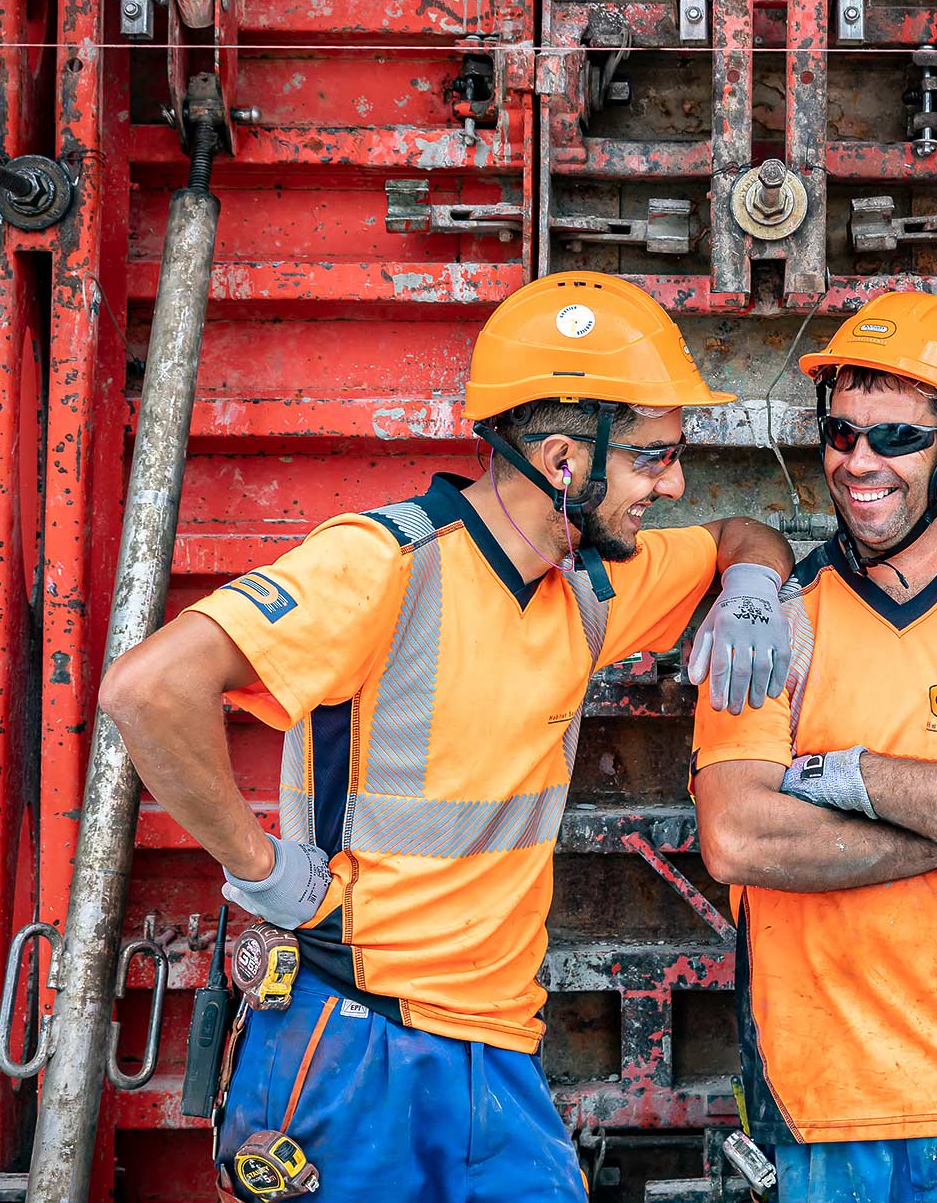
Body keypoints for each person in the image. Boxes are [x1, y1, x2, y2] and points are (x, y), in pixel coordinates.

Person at [99, 271, 794, 1201]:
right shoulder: (384, 565)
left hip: (494, 1046)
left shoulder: (589, 585)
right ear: (562, 459)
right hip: (353, 1036)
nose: (673, 483)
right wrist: (257, 865)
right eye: (654, 457)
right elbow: (148, 688)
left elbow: (742, 536)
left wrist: (753, 589)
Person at [690, 291, 937, 1202]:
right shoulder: (773, 624)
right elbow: (741, 840)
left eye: (896, 439)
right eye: (841, 433)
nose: (858, 462)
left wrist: (847, 776)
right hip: (814, 1111)